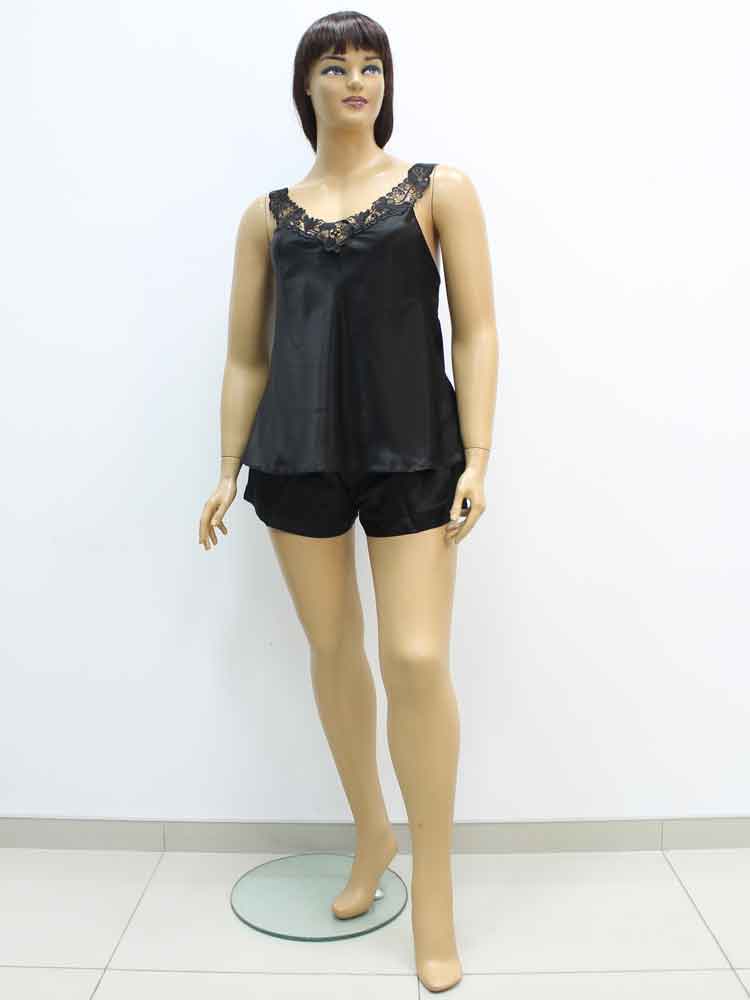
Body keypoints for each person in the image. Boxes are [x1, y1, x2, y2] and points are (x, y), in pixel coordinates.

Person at [199, 11, 498, 993]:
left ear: (388, 82)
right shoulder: (266, 217)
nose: (356, 80)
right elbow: (246, 354)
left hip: (415, 453)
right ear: (308, 86)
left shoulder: (439, 191)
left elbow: (477, 330)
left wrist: (479, 453)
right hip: (295, 454)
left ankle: (436, 894)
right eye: (335, 66)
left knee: (414, 656)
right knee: (333, 649)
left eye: (371, 65)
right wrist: (227, 464)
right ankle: (373, 834)